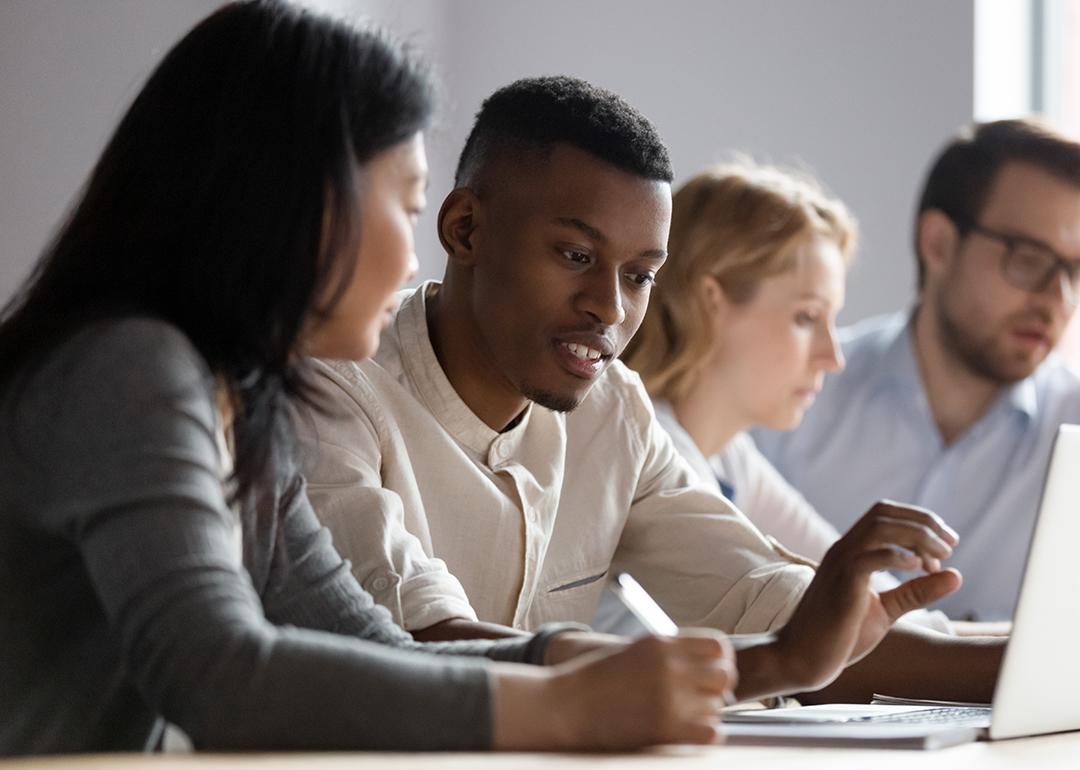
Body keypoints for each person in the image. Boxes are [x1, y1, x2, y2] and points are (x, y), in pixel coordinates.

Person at [0, 1, 743, 755]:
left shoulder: (238, 399)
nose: (419, 259)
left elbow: (372, 643)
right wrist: (562, 706)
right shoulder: (130, 369)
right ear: (299, 199)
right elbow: (216, 674)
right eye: (408, 203)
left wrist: (548, 659)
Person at [300, 74, 998, 706]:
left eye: (638, 276)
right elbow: (422, 642)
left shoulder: (613, 409)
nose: (608, 307)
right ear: (465, 229)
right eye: (576, 256)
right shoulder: (332, 390)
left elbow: (760, 599)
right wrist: (777, 661)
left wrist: (1015, 666)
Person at [754, 118, 1080, 622]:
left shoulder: (1075, 429)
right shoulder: (795, 389)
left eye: (1075, 272)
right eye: (1029, 259)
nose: (1057, 300)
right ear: (939, 245)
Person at [611, 161, 952, 634]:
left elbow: (881, 603)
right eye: (807, 318)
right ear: (711, 301)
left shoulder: (730, 457)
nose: (833, 357)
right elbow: (813, 623)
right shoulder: (647, 445)